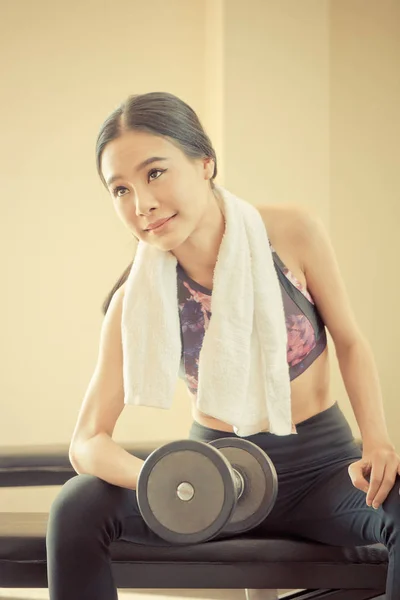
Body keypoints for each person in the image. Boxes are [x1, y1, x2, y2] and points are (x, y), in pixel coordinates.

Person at [46, 91, 400, 599]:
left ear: (205, 162)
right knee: (77, 503)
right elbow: (87, 442)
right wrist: (164, 477)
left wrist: (378, 442)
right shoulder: (134, 300)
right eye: (119, 189)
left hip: (322, 470)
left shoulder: (291, 233)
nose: (141, 204)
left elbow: (349, 340)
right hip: (211, 483)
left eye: (155, 173)